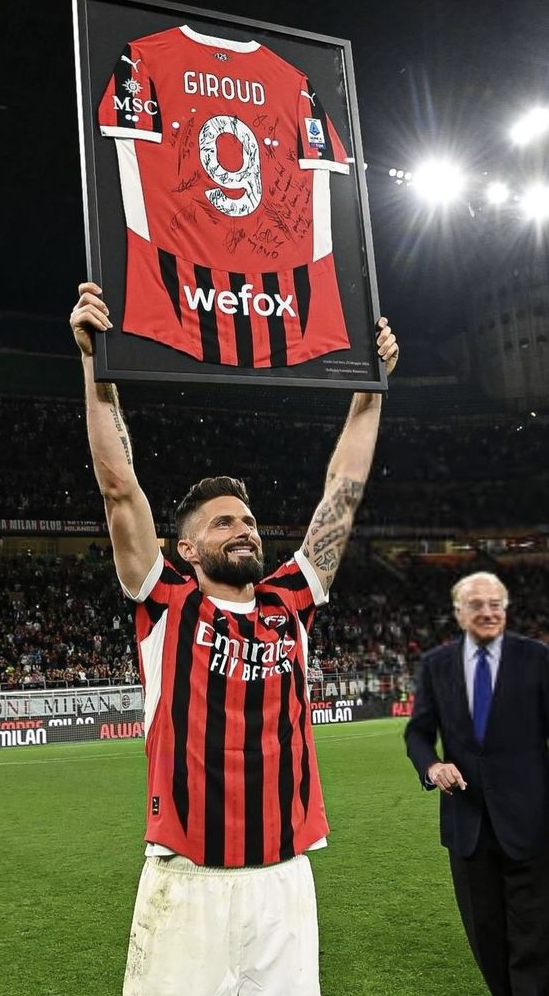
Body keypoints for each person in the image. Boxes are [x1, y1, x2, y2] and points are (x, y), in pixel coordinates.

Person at [71, 281, 398, 996]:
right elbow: (120, 488)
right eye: (222, 523)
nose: (243, 529)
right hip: (189, 886)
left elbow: (340, 492)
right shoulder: (166, 604)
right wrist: (98, 369)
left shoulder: (291, 602)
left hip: (286, 881)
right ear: (185, 549)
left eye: (247, 521)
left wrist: (368, 394)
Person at [405, 571, 549, 996]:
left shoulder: (536, 658)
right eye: (476, 605)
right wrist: (432, 766)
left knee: (535, 939)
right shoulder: (436, 665)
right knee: (486, 939)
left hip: (531, 821)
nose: (487, 612)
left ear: (505, 609)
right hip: (467, 825)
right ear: (458, 613)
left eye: (495, 604)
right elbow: (417, 733)